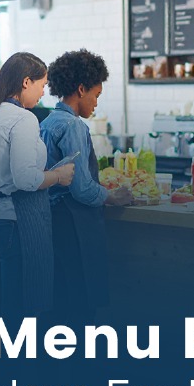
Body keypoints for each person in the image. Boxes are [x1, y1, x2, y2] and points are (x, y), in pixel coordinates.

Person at [0, 52, 75, 320]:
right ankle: (18, 363)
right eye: (42, 85)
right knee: (21, 312)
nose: (43, 93)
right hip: (17, 223)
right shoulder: (23, 118)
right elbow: (26, 179)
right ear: (26, 82)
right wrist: (59, 175)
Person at [40, 50, 131, 324]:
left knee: (57, 303)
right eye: (96, 95)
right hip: (72, 224)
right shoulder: (73, 126)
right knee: (78, 306)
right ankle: (77, 365)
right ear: (81, 89)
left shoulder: (46, 122)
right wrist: (112, 196)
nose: (95, 104)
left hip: (49, 220)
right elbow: (80, 188)